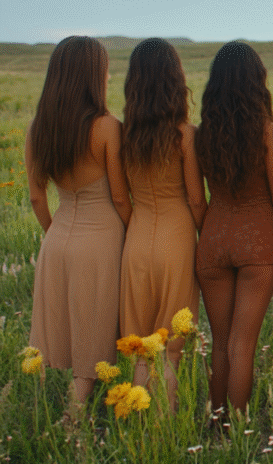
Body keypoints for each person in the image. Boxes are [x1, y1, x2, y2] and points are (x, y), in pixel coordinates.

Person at [26, 35, 131, 412]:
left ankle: (68, 411)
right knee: (94, 335)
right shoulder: (106, 127)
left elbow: (38, 196)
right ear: (93, 75)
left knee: (74, 328)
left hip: (57, 239)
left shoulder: (39, 126)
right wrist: (133, 231)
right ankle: (74, 420)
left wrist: (53, 232)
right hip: (101, 239)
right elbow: (120, 197)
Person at [195, 41, 273, 416]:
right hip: (257, 241)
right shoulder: (267, 132)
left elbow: (196, 199)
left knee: (219, 343)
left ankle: (217, 422)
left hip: (213, 237)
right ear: (257, 82)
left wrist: (211, 230)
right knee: (242, 345)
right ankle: (237, 429)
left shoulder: (202, 134)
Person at [120, 38, 206, 410]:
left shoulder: (122, 135)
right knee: (171, 347)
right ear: (176, 80)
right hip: (178, 240)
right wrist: (205, 234)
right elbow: (196, 198)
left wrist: (132, 225)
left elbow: (121, 197)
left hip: (137, 239)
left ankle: (140, 427)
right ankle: (166, 429)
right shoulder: (185, 135)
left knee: (142, 348)